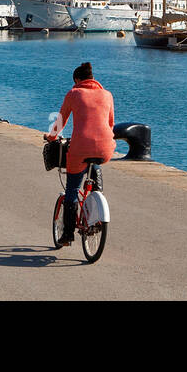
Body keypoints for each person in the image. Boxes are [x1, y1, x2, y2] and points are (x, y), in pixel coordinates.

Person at [44, 62, 115, 247]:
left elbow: (61, 120)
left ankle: (67, 235)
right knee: (95, 164)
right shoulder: (107, 94)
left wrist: (51, 137)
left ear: (77, 80)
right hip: (105, 148)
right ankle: (96, 200)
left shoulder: (74, 93)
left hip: (80, 148)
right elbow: (110, 123)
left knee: (72, 190)